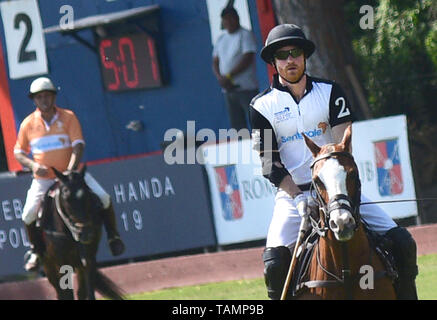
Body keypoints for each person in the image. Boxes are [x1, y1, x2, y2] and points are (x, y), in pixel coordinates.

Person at [250, 24, 418, 300]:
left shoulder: (331, 92)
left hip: (337, 189)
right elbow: (269, 164)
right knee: (274, 262)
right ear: (273, 62)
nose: (290, 60)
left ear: (304, 56)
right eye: (282, 55)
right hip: (294, 196)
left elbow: (342, 147)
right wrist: (299, 197)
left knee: (402, 242)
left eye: (295, 52)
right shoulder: (261, 106)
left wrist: (334, 190)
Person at [14, 77, 125, 272]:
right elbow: (18, 152)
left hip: (71, 176)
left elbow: (78, 145)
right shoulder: (28, 124)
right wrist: (32, 165)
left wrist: (71, 170)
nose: (44, 100)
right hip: (44, 179)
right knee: (28, 213)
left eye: (47, 95)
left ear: (53, 96)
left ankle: (113, 237)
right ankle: (35, 250)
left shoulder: (68, 117)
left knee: (104, 197)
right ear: (34, 100)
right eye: (39, 97)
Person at [212, 6, 258, 131]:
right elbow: (215, 61)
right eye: (225, 20)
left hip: (246, 88)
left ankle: (262, 146)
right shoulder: (221, 39)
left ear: (237, 19)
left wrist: (229, 76)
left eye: (231, 19)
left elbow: (247, 58)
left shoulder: (245, 34)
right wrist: (220, 78)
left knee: (256, 121)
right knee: (237, 126)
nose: (229, 22)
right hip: (228, 89)